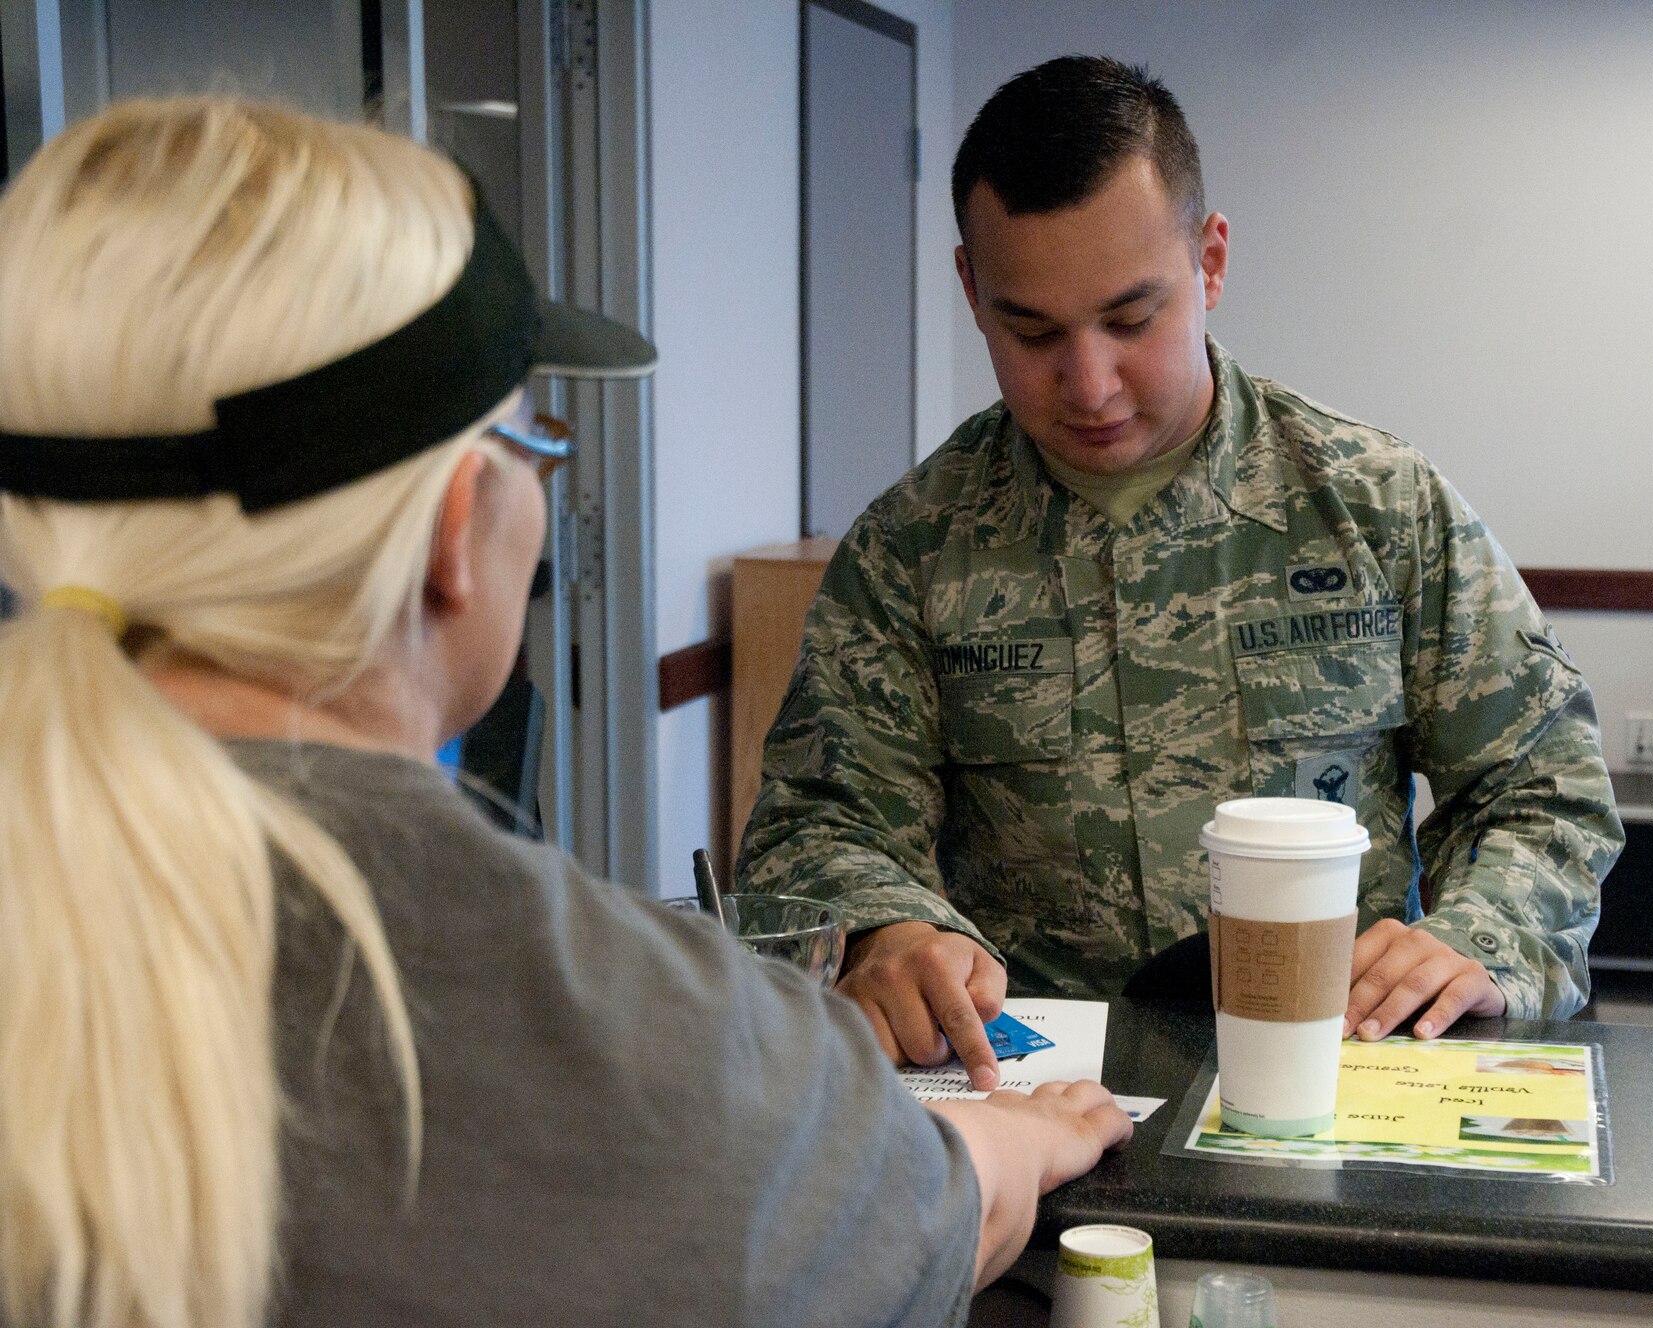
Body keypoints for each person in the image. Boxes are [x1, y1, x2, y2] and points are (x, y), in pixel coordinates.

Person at [0, 97, 1128, 1328]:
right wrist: (1011, 1144)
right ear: (453, 534)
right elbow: (915, 1218)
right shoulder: (640, 1034)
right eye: (536, 434)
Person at [738, 56, 1622, 1090]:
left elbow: (1540, 781)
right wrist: (887, 931)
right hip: (1032, 1098)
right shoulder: (912, 549)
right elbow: (817, 819)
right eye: (1030, 331)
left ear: (1207, 264)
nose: (1088, 382)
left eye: (1128, 318)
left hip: (1336, 1067)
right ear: (971, 290)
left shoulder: (1374, 505)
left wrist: (1480, 934)